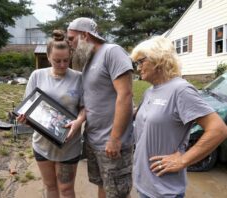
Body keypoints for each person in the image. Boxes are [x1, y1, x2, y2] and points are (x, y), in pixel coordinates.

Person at [130, 36, 227, 198]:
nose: (138, 68)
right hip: (144, 184)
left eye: (141, 62)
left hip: (164, 191)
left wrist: (183, 160)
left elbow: (218, 129)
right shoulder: (150, 91)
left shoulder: (181, 90)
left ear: (158, 59)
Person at [67, 17, 134, 198]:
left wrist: (115, 138)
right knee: (102, 186)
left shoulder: (112, 52)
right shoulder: (89, 61)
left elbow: (126, 95)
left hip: (111, 142)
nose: (70, 44)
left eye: (71, 39)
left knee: (117, 192)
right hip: (94, 141)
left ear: (85, 35)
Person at [17, 30, 85, 198]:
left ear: (71, 56)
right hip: (42, 145)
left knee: (66, 189)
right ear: (48, 57)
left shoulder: (79, 78)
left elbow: (85, 108)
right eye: (57, 61)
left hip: (69, 145)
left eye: (66, 60)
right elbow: (28, 107)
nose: (62, 64)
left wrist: (79, 121)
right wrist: (25, 119)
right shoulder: (37, 76)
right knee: (49, 186)